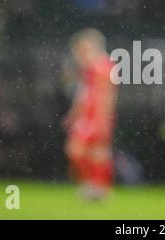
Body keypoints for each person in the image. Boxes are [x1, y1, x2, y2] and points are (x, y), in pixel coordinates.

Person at [63, 28, 118, 201]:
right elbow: (83, 94)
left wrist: (104, 119)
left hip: (97, 116)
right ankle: (93, 185)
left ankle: (100, 188)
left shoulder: (104, 66)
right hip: (86, 116)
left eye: (83, 49)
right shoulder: (88, 69)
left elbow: (108, 96)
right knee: (79, 151)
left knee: (96, 152)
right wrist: (73, 115)